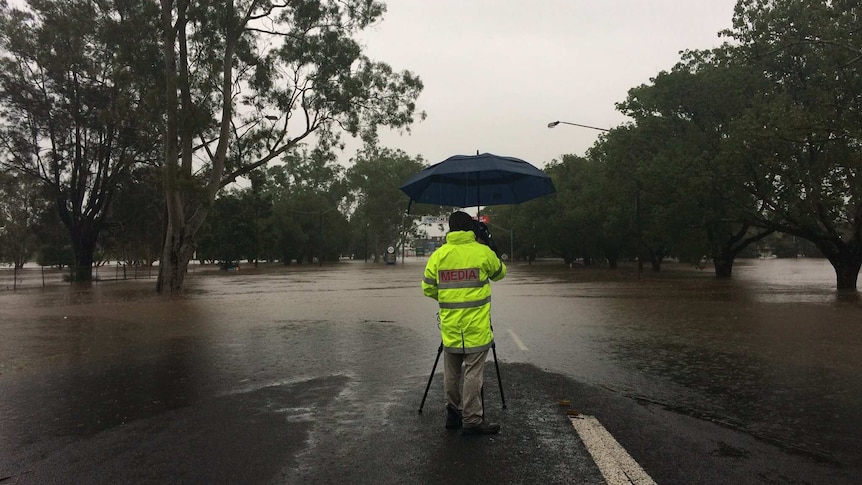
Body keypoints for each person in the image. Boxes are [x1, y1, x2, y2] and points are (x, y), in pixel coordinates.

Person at [422, 211, 507, 435]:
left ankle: (453, 414)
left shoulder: (439, 255)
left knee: (451, 373)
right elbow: (500, 273)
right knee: (472, 374)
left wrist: (449, 297)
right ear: (472, 229)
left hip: (450, 327)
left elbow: (428, 288)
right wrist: (490, 243)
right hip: (476, 328)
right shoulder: (482, 253)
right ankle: (472, 419)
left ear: (450, 228)